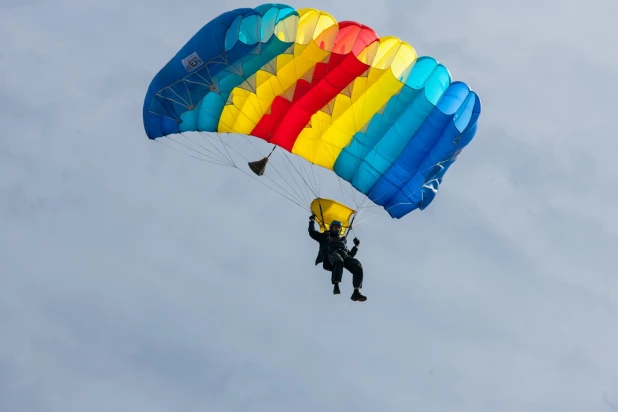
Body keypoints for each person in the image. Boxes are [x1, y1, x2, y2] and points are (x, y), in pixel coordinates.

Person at [308, 214, 367, 302]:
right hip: (331, 255)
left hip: (344, 256)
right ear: (331, 228)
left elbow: (350, 255)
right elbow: (312, 233)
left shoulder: (342, 242)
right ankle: (336, 285)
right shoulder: (325, 237)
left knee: (358, 266)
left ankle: (356, 292)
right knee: (339, 260)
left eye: (339, 228)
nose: (338, 229)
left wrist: (356, 246)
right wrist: (312, 221)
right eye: (336, 227)